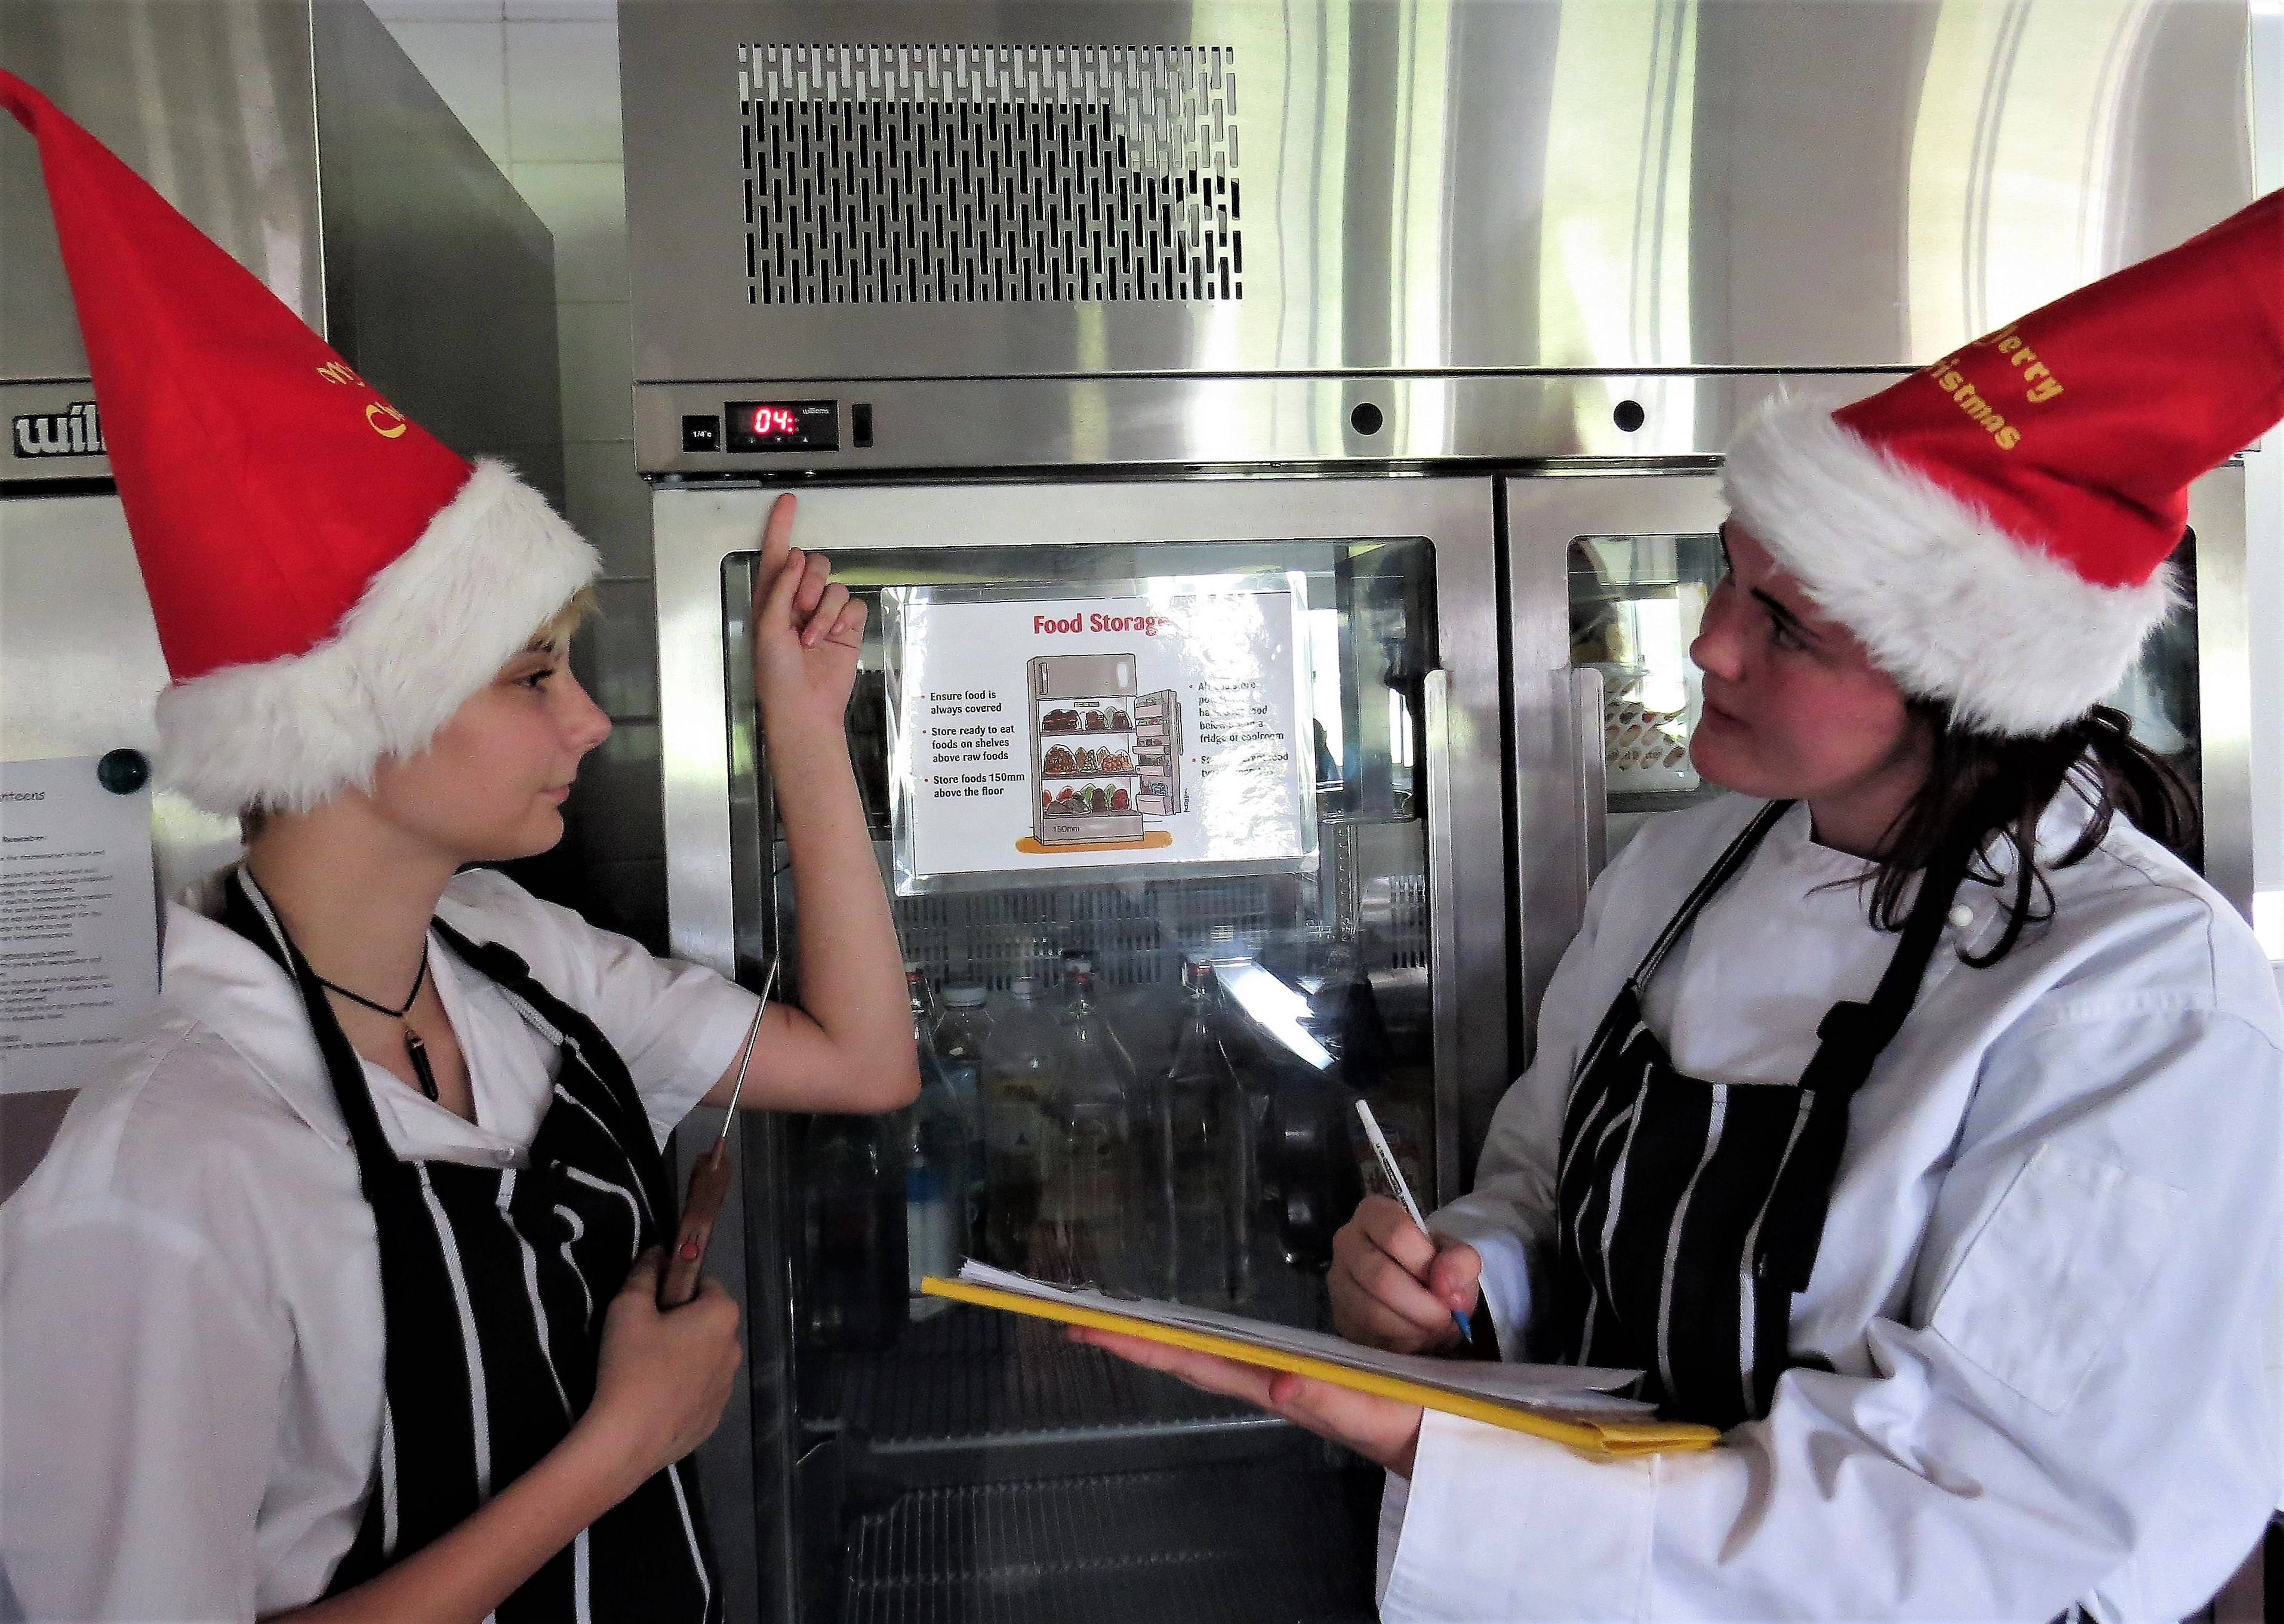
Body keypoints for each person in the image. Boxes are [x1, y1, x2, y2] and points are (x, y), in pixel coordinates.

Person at [1079, 193, 2284, 1619]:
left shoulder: (2137, 998)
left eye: (1786, 623)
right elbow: (1539, 1185)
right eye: (1731, 570)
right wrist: (1458, 1286)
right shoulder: (1678, 872)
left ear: (1966, 691)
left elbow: (1976, 1528)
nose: (1708, 638)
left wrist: (1442, 1449)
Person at [0, 75, 915, 1622]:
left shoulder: (506, 960)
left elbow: (865, 1060)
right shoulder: (169, 1170)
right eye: (531, 674)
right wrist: (620, 1446)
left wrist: (805, 733)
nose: (588, 725)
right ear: (349, 724)